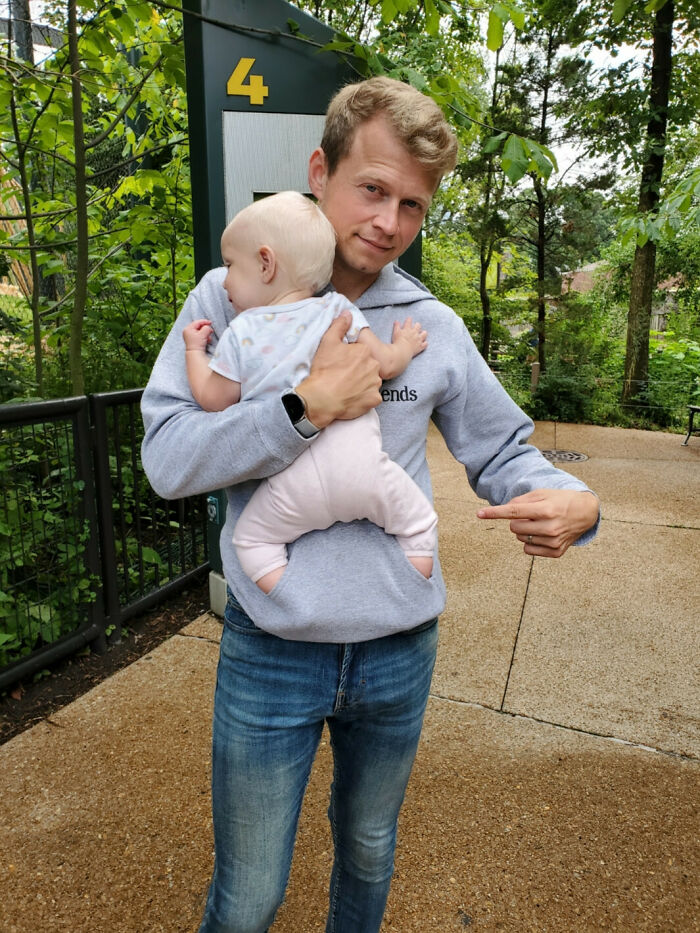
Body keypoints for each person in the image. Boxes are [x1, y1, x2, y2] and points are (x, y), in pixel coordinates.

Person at [141, 76, 600, 933]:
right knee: (246, 897)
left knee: (369, 850)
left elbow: (502, 450)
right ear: (320, 170)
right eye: (373, 189)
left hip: (398, 651)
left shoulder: (430, 326)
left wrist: (576, 502)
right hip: (271, 648)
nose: (389, 222)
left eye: (413, 205)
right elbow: (166, 461)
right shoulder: (230, 294)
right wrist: (302, 409)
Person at [182, 190, 437, 593]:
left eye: (230, 264)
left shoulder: (242, 330)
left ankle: (283, 592)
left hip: (291, 480)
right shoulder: (337, 309)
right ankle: (417, 569)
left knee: (253, 540)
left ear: (266, 263)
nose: (224, 279)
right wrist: (406, 345)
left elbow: (213, 399)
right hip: (361, 466)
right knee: (418, 519)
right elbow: (386, 365)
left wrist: (195, 351)